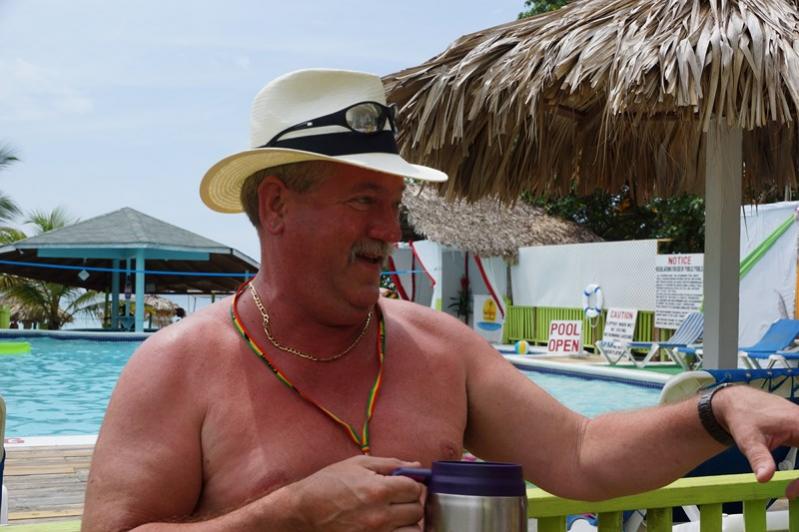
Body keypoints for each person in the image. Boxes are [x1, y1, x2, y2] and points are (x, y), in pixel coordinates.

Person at [83, 69, 799, 531]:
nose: (389, 231)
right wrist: (288, 514)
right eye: (363, 200)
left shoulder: (437, 345)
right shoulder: (179, 365)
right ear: (276, 206)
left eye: (393, 204)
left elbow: (579, 453)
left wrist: (717, 409)